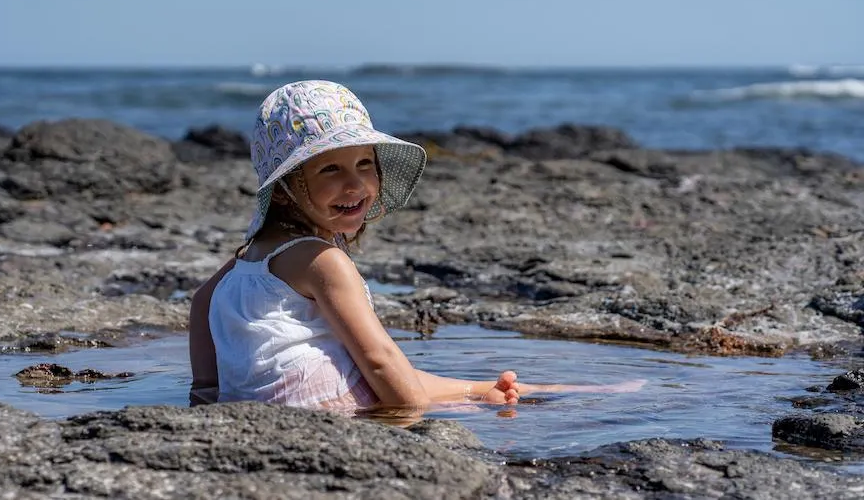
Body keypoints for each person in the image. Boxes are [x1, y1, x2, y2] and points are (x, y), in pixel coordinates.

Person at [189, 80, 642, 413]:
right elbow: (379, 359)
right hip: (325, 404)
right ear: (286, 187)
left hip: (270, 402)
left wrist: (207, 393)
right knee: (414, 384)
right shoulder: (323, 260)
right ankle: (556, 393)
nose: (355, 184)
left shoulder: (249, 256)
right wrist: (411, 425)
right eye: (329, 170)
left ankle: (491, 388)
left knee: (448, 384)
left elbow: (201, 303)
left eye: (365, 163)